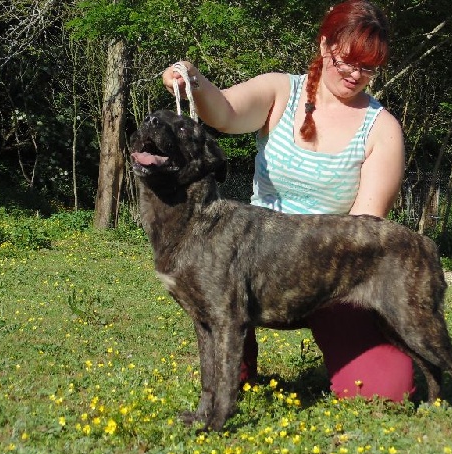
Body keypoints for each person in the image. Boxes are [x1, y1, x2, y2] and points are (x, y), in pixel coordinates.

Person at [161, 0, 415, 402]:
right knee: (225, 358)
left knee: (386, 390)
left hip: (330, 276)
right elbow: (224, 113)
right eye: (347, 61)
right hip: (255, 261)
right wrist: (193, 79)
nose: (355, 74)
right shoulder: (281, 91)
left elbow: (364, 228)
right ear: (324, 45)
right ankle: (236, 362)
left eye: (368, 67)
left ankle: (378, 342)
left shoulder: (382, 129)